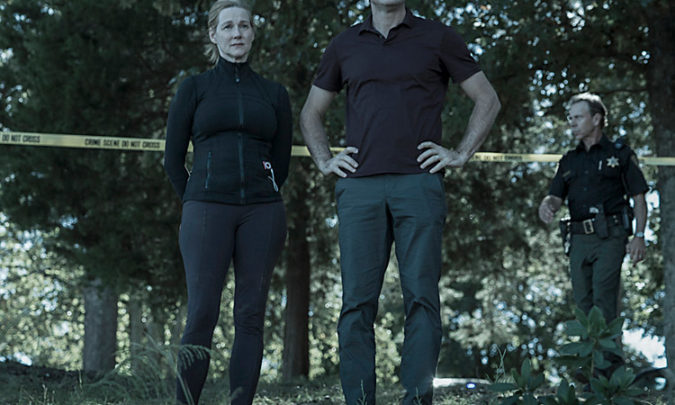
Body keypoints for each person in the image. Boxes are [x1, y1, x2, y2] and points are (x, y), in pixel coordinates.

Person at [300, 1, 500, 403]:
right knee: (356, 303)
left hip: (419, 184)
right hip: (359, 189)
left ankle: (417, 399)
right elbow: (311, 113)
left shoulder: (438, 37)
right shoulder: (344, 44)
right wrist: (324, 160)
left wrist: (460, 153)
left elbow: (487, 99)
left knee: (422, 298)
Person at [164, 1, 292, 403]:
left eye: (244, 26)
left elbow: (281, 162)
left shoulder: (274, 93)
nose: (237, 33)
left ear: (253, 33)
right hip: (205, 209)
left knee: (250, 315)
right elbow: (172, 160)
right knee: (202, 312)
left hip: (263, 212)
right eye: (228, 26)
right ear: (213, 34)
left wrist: (261, 194)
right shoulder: (194, 88)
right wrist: (196, 200)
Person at [538, 92, 648, 372]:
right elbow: (555, 196)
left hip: (611, 236)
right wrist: (546, 205)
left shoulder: (620, 154)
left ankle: (609, 372)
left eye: (578, 117)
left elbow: (638, 197)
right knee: (583, 303)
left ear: (596, 119)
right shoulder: (569, 160)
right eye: (570, 118)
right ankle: (589, 372)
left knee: (603, 298)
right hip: (578, 239)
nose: (572, 123)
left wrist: (639, 236)